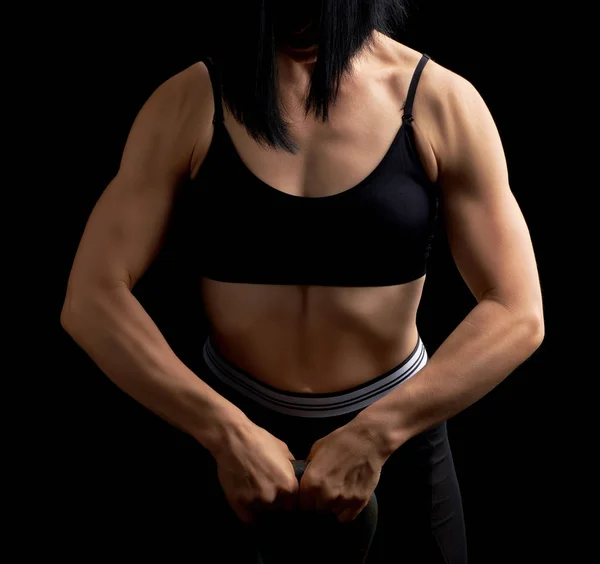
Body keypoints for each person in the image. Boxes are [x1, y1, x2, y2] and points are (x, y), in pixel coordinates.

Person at [60, 1, 544, 562]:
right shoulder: (189, 100)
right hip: (231, 439)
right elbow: (91, 297)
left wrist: (377, 433)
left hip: (398, 442)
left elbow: (518, 311)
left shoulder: (439, 101)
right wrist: (222, 431)